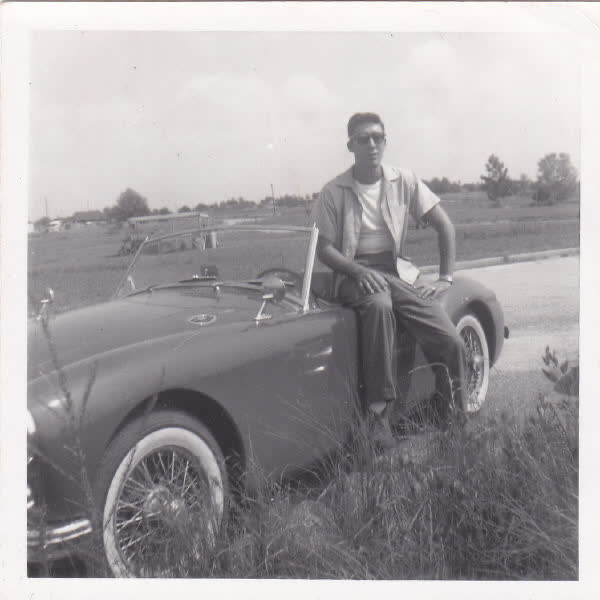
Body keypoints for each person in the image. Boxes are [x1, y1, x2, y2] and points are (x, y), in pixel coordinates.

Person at [310, 112, 466, 448]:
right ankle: (378, 419)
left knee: (449, 339)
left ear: (385, 141)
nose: (371, 144)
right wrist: (359, 272)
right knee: (379, 307)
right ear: (350, 145)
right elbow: (324, 249)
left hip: (396, 272)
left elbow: (445, 225)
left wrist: (446, 278)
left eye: (377, 137)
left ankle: (451, 407)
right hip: (353, 274)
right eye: (362, 138)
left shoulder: (403, 180)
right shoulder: (333, 191)